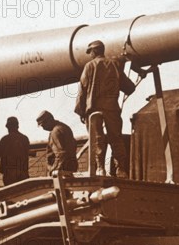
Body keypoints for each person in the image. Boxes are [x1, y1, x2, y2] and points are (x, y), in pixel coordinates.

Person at [75, 40, 135, 178]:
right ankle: (120, 169)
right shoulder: (114, 65)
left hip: (94, 109)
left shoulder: (89, 66)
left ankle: (100, 168)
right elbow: (128, 87)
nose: (89, 55)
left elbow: (82, 89)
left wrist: (81, 110)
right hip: (112, 108)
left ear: (94, 51)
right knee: (116, 138)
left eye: (90, 52)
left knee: (97, 139)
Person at [36, 110, 78, 176]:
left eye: (43, 125)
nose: (43, 128)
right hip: (70, 167)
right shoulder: (64, 127)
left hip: (61, 170)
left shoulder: (55, 131)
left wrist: (54, 169)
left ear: (49, 120)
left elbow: (61, 154)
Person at [0, 116, 30, 186]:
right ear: (17, 126)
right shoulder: (25, 138)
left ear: (7, 127)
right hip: (23, 173)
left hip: (10, 173)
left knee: (10, 194)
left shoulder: (4, 139)